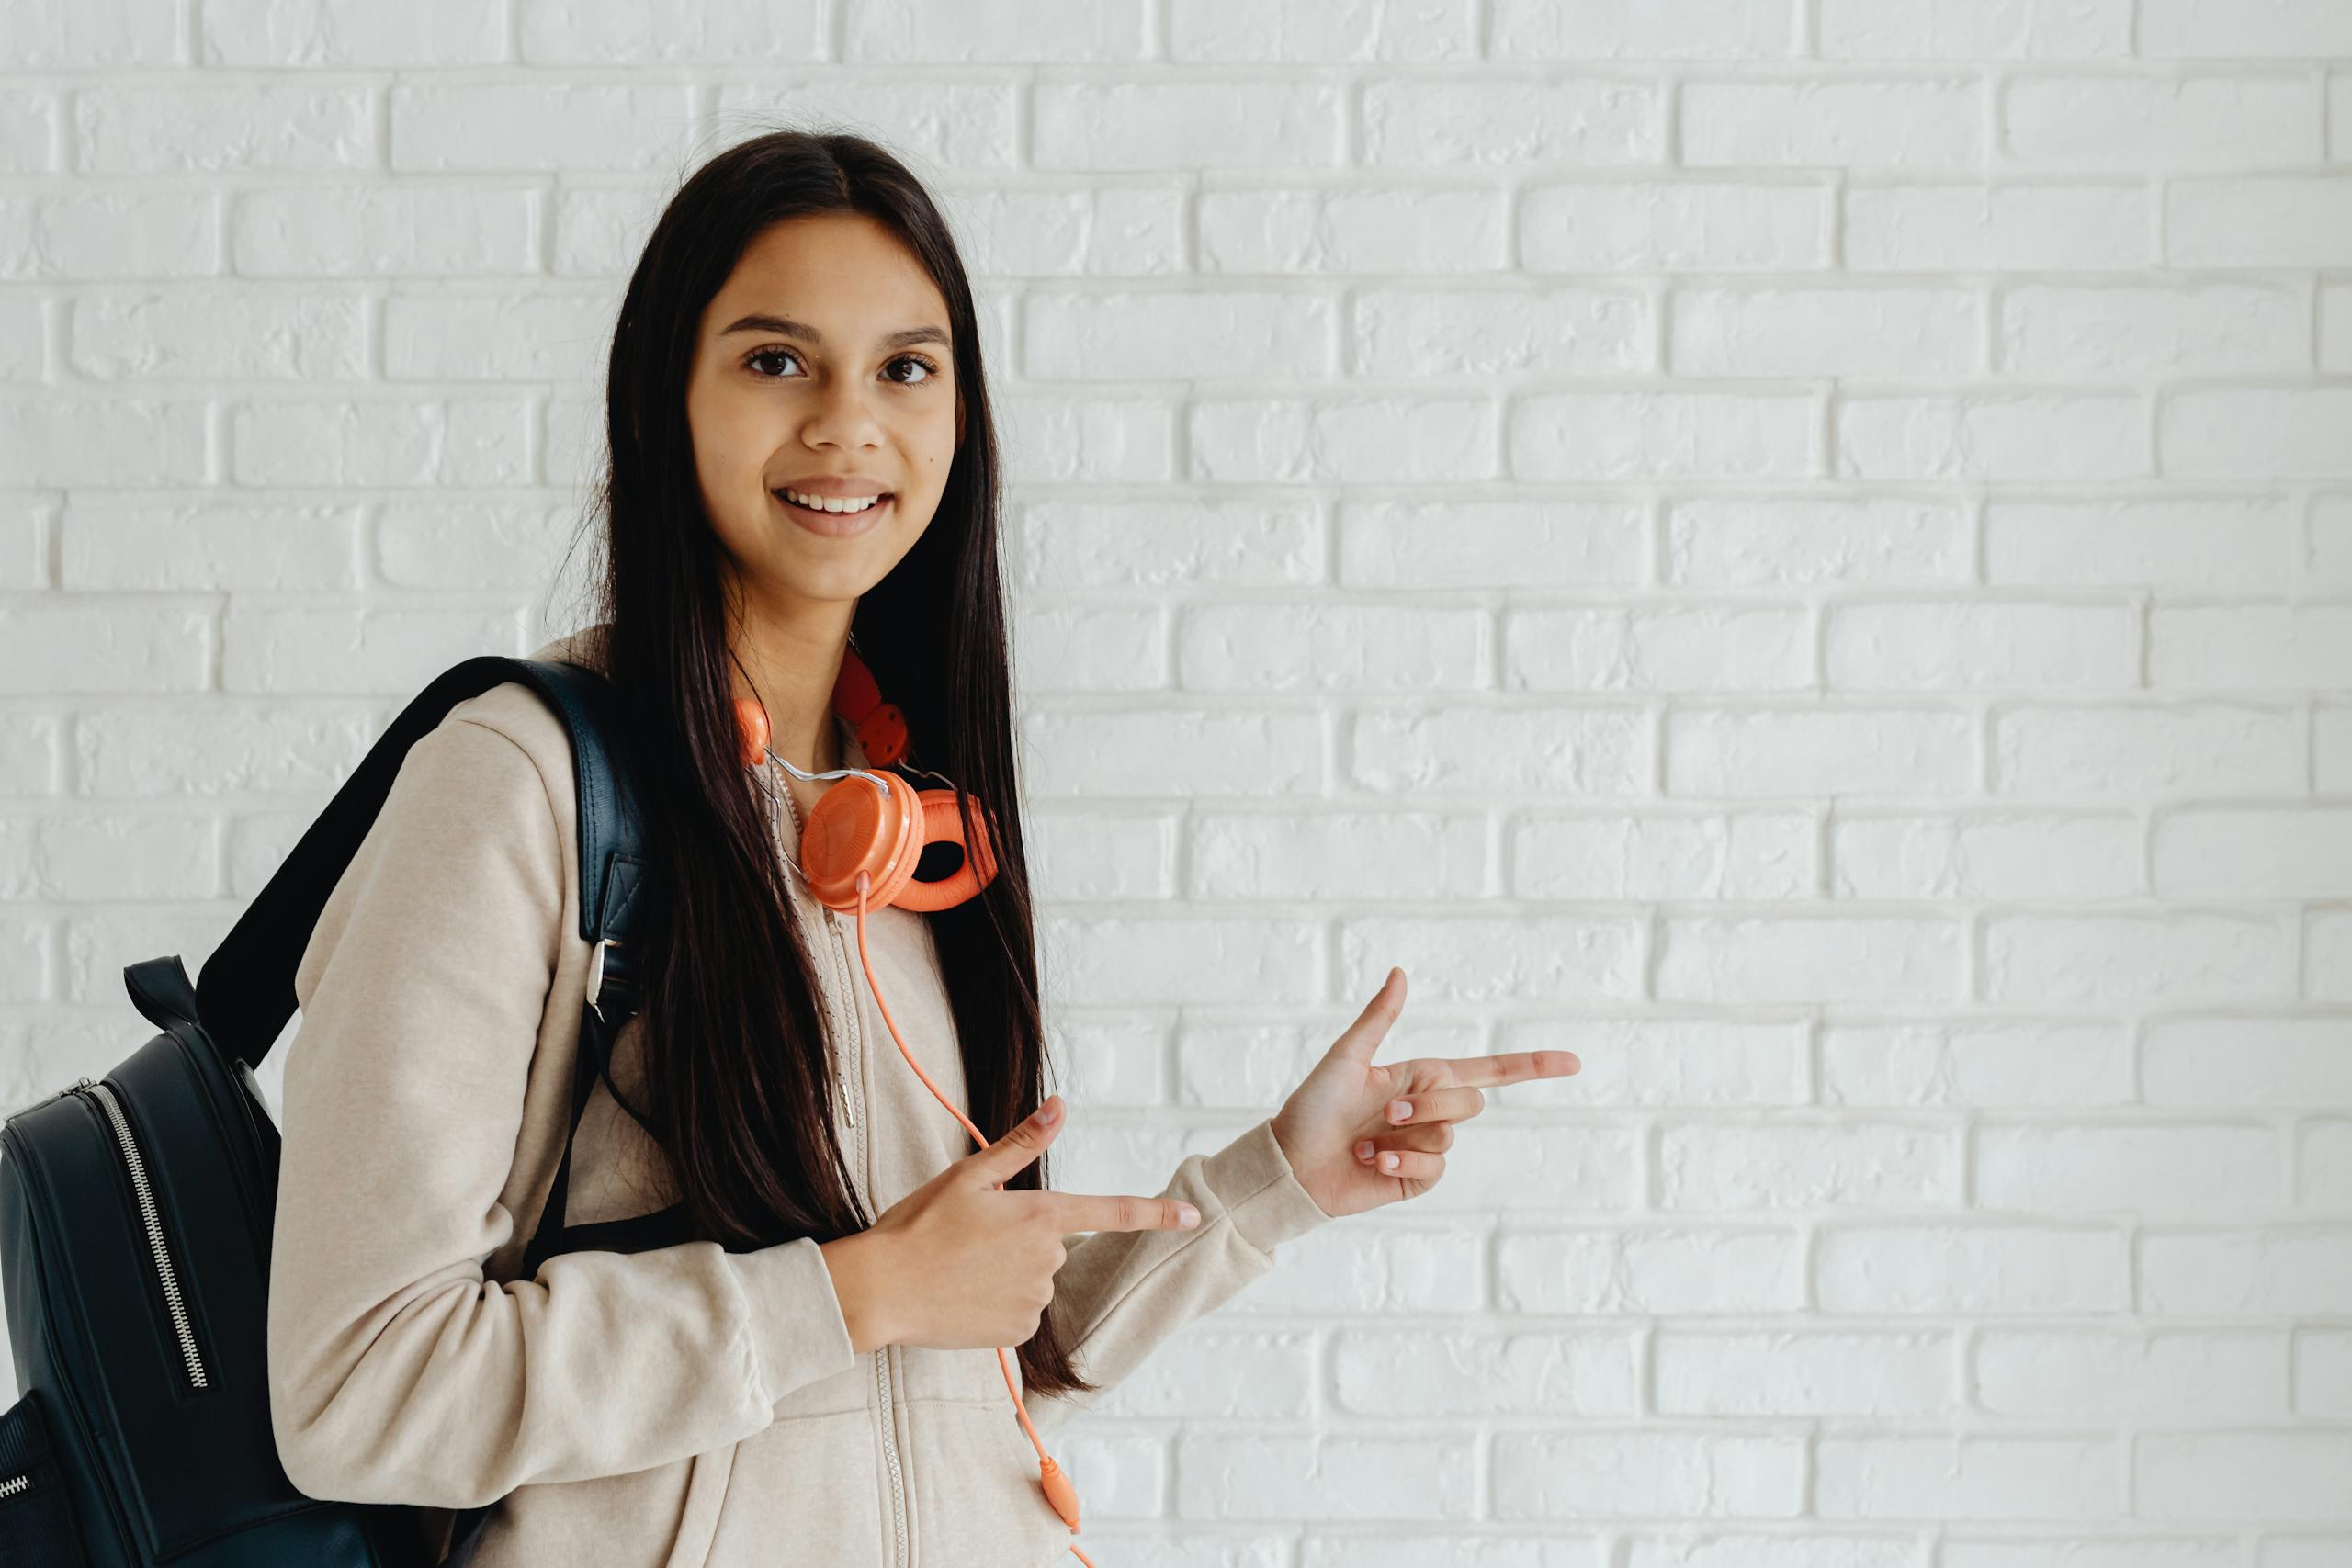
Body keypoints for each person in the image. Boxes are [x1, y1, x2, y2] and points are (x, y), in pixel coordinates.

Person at [262, 127, 1578, 1568]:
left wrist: (1277, 1179)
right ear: (662, 400)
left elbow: (959, 1360)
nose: (849, 426)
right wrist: (850, 1295)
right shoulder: (520, 785)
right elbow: (358, 1391)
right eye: (776, 361)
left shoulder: (908, 821)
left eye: (905, 367)